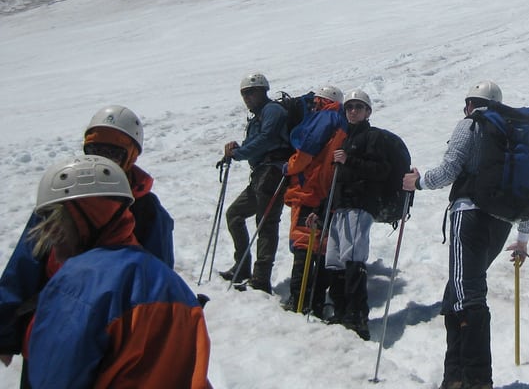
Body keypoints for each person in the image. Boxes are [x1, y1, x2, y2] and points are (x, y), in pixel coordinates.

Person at [0, 104, 174, 375]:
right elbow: (25, 262)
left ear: (131, 156)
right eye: (95, 150)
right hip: (51, 330)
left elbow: (158, 276)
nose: (103, 159)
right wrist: (5, 330)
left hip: (114, 338)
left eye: (113, 152)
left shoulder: (147, 210)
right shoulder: (62, 197)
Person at [23, 155, 212, 388]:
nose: (48, 233)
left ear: (87, 218)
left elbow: (54, 378)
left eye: (54, 219)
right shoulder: (172, 284)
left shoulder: (78, 283)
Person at [403, 81, 529, 389]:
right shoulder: (514, 134)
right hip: (501, 221)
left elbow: (450, 169)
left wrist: (418, 183)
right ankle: (456, 376)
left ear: (471, 104)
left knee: (466, 296)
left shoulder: (471, 124)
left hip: (469, 212)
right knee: (457, 292)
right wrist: (524, 238)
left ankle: (474, 379)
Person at [321, 89, 392, 339]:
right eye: (349, 107)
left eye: (358, 107)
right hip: (342, 205)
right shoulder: (345, 138)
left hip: (360, 204)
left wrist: (349, 160)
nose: (353, 111)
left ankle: (357, 315)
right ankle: (341, 310)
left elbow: (381, 170)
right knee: (335, 258)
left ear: (368, 112)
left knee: (353, 256)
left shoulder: (373, 137)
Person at [221, 71, 291, 293]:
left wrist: (238, 154)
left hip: (273, 172)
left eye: (251, 92)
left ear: (263, 91)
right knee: (235, 214)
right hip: (262, 174)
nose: (247, 97)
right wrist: (237, 149)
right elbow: (255, 142)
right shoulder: (258, 117)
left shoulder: (272, 110)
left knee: (266, 223)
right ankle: (243, 267)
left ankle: (261, 278)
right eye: (244, 94)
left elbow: (267, 139)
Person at [283, 85, 347, 315]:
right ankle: (317, 300)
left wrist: (289, 167)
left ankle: (298, 300)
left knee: (303, 243)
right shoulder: (342, 121)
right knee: (320, 247)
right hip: (328, 194)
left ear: (323, 100)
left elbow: (305, 153)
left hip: (309, 190)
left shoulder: (325, 117)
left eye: (316, 101)